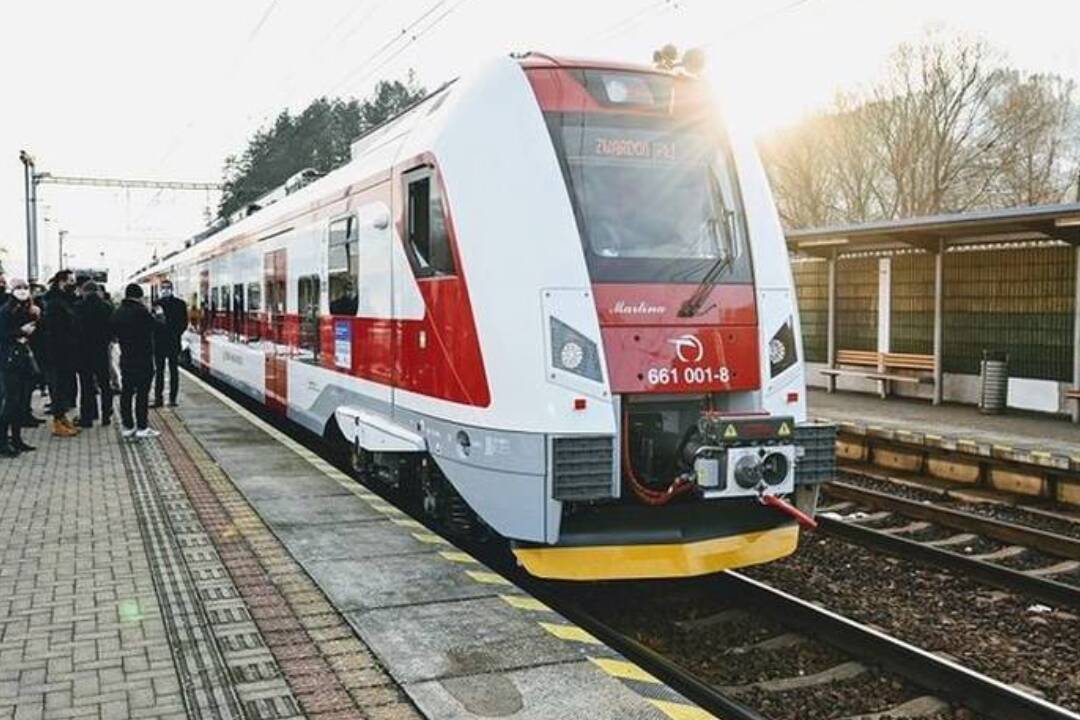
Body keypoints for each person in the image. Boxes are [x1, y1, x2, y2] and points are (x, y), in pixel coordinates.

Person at [111, 283, 161, 439]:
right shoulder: (142, 312)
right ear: (139, 297)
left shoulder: (118, 312)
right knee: (142, 394)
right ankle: (142, 427)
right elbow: (158, 327)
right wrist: (159, 314)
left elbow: (112, 332)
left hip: (126, 358)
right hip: (143, 358)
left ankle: (127, 426)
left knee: (126, 392)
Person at [0, 279, 39, 456]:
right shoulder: (6, 310)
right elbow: (4, 334)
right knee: (11, 402)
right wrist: (22, 331)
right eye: (19, 288)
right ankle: (3, 442)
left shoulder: (27, 310)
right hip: (9, 360)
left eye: (25, 288)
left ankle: (16, 439)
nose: (23, 291)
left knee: (19, 402)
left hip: (21, 358)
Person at [41, 271, 80, 437]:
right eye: (71, 281)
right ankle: (58, 422)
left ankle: (62, 418)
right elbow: (56, 329)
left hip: (66, 351)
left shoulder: (64, 300)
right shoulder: (54, 303)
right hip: (57, 352)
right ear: (62, 282)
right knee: (58, 387)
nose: (74, 284)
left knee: (63, 386)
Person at [74, 280, 114, 427]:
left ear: (84, 292)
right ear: (97, 291)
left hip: (83, 351)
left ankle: (87, 418)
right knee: (105, 384)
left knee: (86, 386)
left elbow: (75, 329)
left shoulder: (78, 307)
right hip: (101, 350)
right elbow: (112, 328)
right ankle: (106, 415)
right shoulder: (107, 307)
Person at [151, 280, 187, 407]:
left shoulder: (180, 304)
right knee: (159, 372)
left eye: (168, 287)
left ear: (172, 289)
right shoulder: (156, 304)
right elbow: (152, 323)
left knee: (173, 372)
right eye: (163, 288)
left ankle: (172, 399)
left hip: (171, 341)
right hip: (161, 343)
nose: (165, 290)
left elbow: (184, 323)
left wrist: (174, 333)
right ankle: (158, 399)